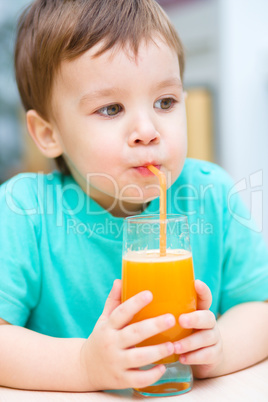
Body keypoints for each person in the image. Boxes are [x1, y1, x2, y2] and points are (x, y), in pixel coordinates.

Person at [0, 0, 267, 392]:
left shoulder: (211, 193)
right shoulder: (24, 212)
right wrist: (83, 365)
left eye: (165, 102)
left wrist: (221, 349)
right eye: (111, 108)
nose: (148, 129)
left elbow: (259, 307)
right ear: (47, 133)